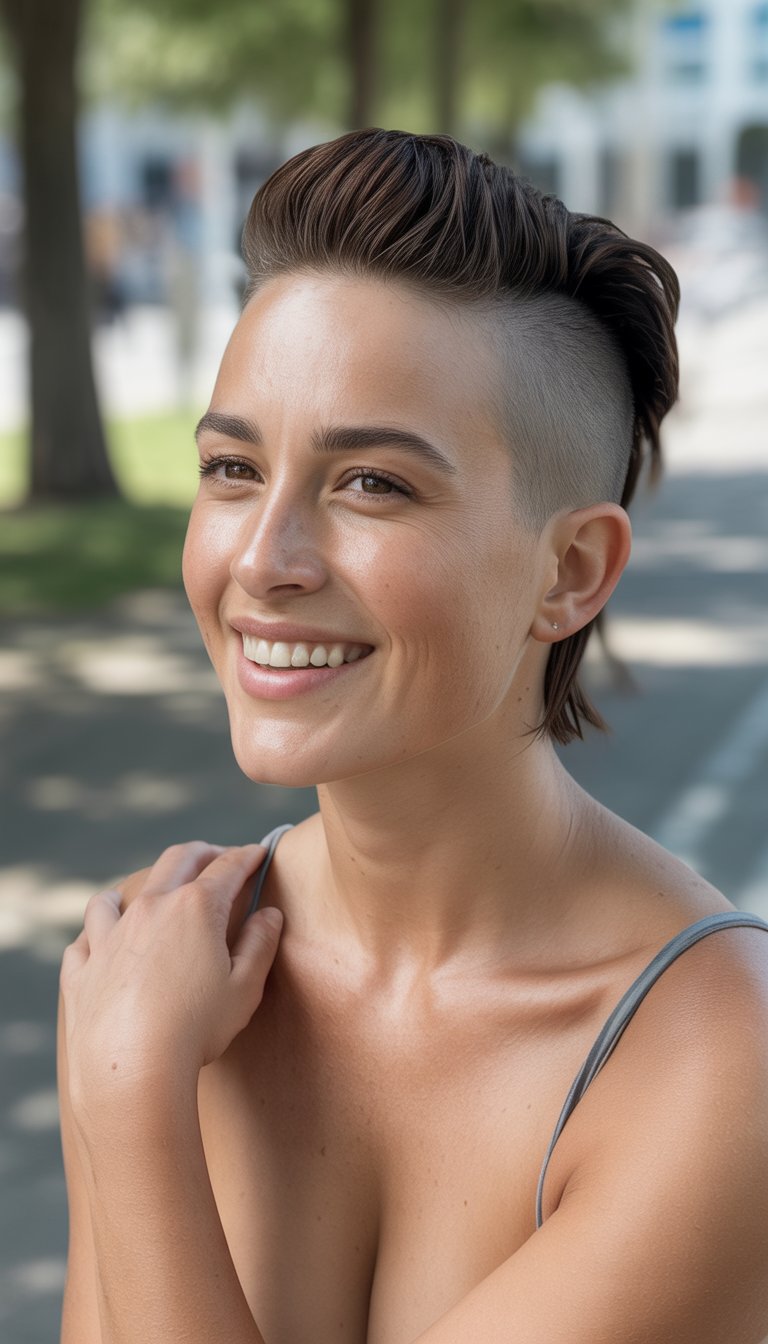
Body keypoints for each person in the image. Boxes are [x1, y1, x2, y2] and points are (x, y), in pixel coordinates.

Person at [57, 129, 768, 1343]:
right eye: (233, 468)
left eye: (371, 484)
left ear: (572, 571)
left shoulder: (714, 1061)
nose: (261, 563)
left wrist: (129, 1109)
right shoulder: (160, 964)